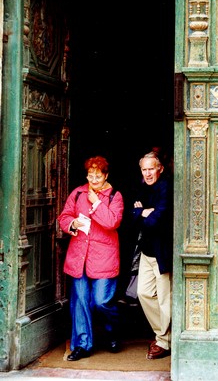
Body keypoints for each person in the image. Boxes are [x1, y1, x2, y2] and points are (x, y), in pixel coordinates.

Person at [58, 155, 124, 361]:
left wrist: (96, 204)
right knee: (80, 302)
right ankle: (83, 345)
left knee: (101, 301)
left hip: (104, 256)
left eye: (97, 176)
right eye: (90, 175)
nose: (93, 180)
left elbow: (112, 222)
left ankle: (113, 331)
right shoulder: (77, 193)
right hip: (79, 256)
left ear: (106, 176)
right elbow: (64, 216)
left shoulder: (115, 196)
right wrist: (72, 224)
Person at [132, 151, 173, 359]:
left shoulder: (166, 187)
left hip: (161, 252)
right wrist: (143, 212)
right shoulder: (141, 187)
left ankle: (164, 341)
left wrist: (144, 213)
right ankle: (164, 334)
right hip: (147, 251)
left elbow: (158, 219)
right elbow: (132, 215)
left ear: (160, 169)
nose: (147, 173)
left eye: (151, 169)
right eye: (144, 169)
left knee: (165, 298)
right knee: (144, 294)